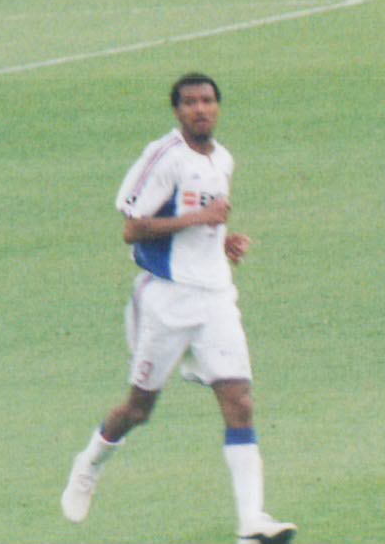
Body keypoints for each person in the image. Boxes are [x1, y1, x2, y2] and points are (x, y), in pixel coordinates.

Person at [60, 73, 296, 544]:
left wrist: (221, 240)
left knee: (240, 402)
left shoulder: (222, 159)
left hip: (216, 297)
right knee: (139, 409)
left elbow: (201, 224)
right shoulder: (163, 157)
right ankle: (89, 464)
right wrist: (199, 219)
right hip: (167, 300)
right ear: (176, 111)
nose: (200, 109)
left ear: (218, 107)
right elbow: (132, 228)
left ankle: (251, 523)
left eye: (207, 101)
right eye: (190, 102)